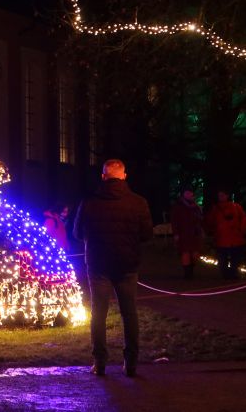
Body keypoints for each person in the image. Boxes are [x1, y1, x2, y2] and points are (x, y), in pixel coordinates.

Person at [74, 158, 154, 378]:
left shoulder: (89, 202)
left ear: (103, 177)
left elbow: (78, 233)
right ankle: (131, 363)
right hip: (127, 264)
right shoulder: (138, 202)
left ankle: (99, 362)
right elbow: (147, 234)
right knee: (130, 314)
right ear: (124, 176)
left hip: (98, 263)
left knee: (98, 314)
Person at [206, 189, 246, 279]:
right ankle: (227, 274)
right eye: (219, 195)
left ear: (227, 196)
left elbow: (243, 219)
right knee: (224, 257)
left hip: (234, 237)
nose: (221, 197)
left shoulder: (236, 207)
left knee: (234, 257)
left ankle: (231, 273)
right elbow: (210, 221)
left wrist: (241, 230)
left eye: (222, 195)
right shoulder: (216, 208)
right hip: (224, 237)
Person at [170, 188, 204, 279]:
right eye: (187, 194)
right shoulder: (178, 207)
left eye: (191, 194)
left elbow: (201, 219)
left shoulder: (196, 207)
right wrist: (176, 233)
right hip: (183, 233)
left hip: (194, 233)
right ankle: (187, 274)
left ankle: (191, 270)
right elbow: (174, 221)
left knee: (194, 254)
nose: (189, 196)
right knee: (185, 253)